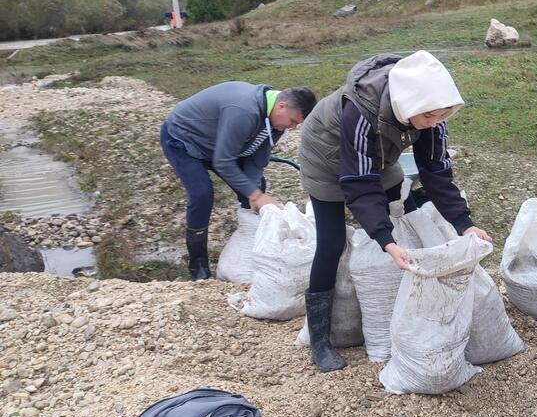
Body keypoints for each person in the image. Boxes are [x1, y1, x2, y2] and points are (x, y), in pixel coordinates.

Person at [298, 51, 492, 372]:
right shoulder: (360, 110)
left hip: (379, 154)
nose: (434, 123)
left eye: (441, 116)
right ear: (409, 106)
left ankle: (411, 307)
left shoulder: (428, 110)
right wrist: (386, 241)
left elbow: (436, 172)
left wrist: (465, 224)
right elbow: (360, 184)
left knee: (408, 211)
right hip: (325, 157)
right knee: (331, 243)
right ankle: (320, 340)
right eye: (429, 117)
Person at [161, 82, 317, 280]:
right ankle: (198, 265)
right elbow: (223, 161)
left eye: (297, 124)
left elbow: (255, 161)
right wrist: (256, 195)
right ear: (282, 106)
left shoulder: (274, 122)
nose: (293, 128)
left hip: (220, 145)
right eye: (293, 121)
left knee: (255, 187)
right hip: (184, 140)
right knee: (202, 194)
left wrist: (254, 194)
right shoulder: (244, 111)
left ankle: (251, 253)